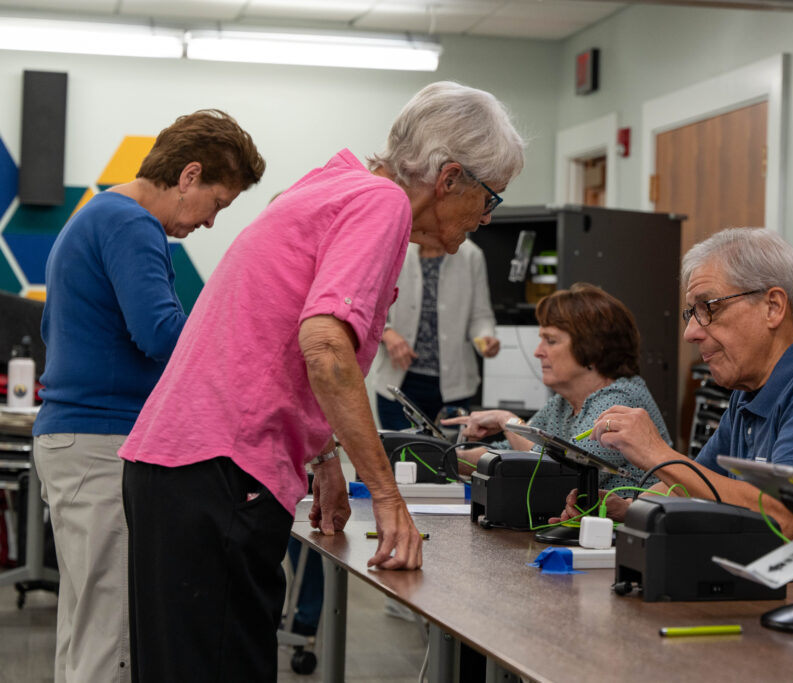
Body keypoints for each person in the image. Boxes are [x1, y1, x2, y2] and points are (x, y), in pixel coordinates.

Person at [118, 81, 525, 682]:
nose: (486, 219)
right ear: (451, 178)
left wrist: (323, 454)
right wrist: (386, 497)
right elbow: (325, 348)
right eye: (491, 200)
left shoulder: (331, 181)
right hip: (220, 472)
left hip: (176, 469)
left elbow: (277, 332)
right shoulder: (382, 203)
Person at [31, 109, 265, 683]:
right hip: (99, 444)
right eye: (218, 202)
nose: (212, 222)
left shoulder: (101, 216)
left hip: (79, 442)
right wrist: (244, 337)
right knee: (111, 638)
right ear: (189, 175)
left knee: (88, 629)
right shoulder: (130, 223)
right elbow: (162, 333)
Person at [555, 228, 793, 582]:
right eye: (691, 313)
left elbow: (782, 522)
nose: (691, 332)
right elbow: (697, 482)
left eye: (708, 308)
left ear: (773, 307)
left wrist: (657, 453)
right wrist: (626, 511)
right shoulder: (751, 390)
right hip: (774, 589)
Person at [444, 282, 670, 490]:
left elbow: (564, 474)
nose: (538, 351)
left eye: (550, 341)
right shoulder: (563, 403)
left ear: (593, 347)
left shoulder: (620, 400)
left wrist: (508, 422)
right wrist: (443, 457)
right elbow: (508, 453)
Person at [375, 237, 500, 430]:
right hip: (398, 383)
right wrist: (387, 333)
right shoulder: (396, 248)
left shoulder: (471, 255)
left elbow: (480, 315)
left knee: (449, 456)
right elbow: (370, 306)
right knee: (400, 455)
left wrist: (486, 337)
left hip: (453, 387)